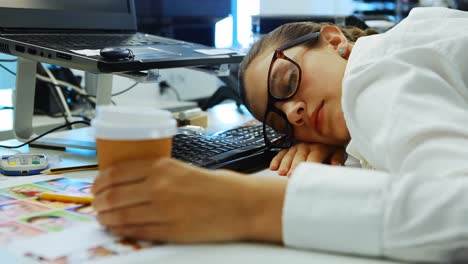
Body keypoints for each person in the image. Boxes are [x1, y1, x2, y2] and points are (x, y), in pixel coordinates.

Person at [91, 7, 468, 263]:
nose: (294, 112)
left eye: (288, 82)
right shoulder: (406, 49)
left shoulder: (373, 73)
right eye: (283, 124)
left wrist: (244, 205)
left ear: (336, 42)